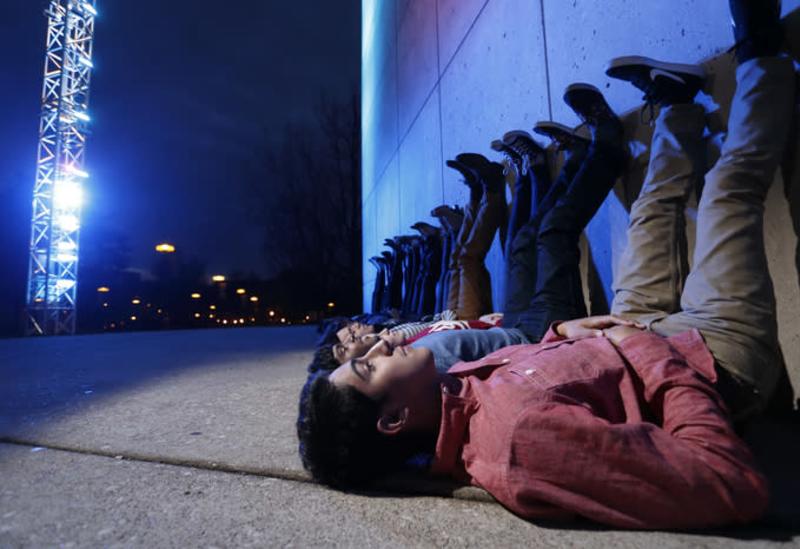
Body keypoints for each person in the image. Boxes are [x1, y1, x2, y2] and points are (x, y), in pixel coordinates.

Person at [297, 0, 789, 529]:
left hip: (628, 334)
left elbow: (543, 359)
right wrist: (642, 349)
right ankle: (764, 53)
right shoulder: (519, 439)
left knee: (650, 211)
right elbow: (727, 484)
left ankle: (677, 107)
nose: (384, 343)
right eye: (370, 365)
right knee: (727, 191)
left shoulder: (451, 388)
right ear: (394, 420)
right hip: (717, 358)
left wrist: (563, 331)